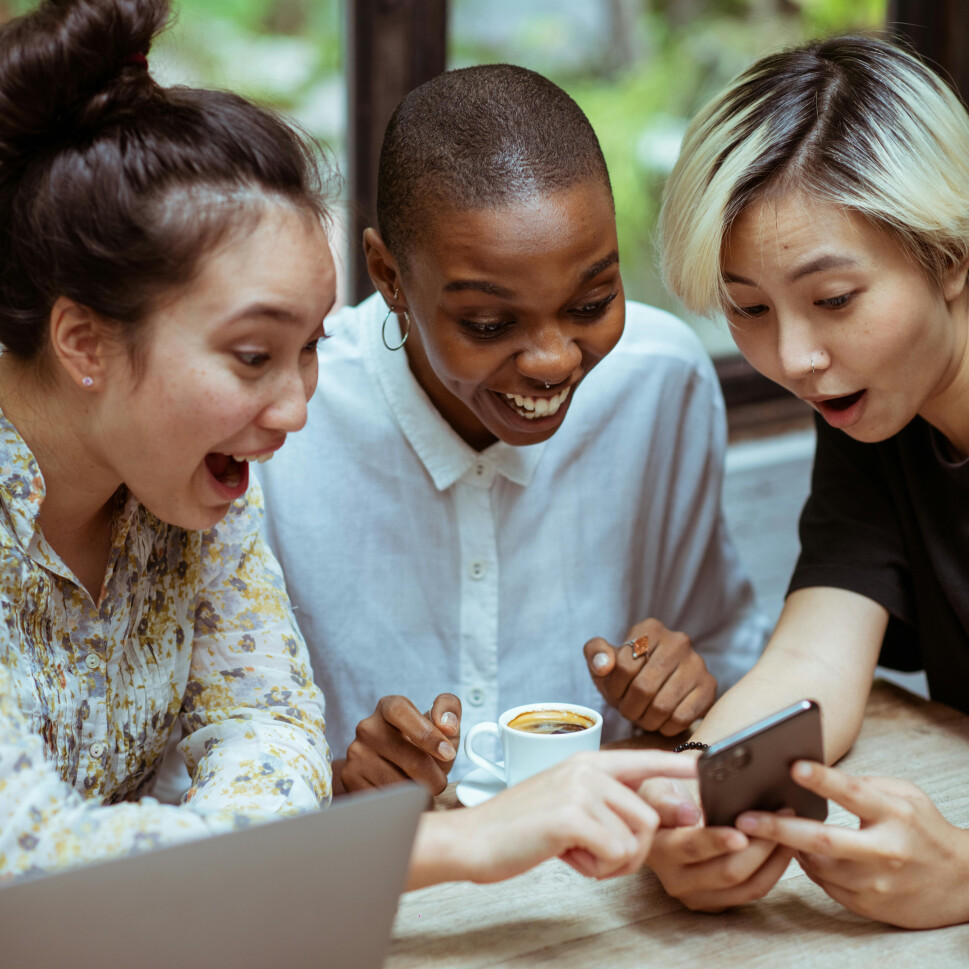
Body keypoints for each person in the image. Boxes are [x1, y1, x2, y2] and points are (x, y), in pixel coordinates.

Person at [0, 0, 700, 890]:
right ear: (84, 342)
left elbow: (273, 734)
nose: (294, 409)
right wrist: (457, 843)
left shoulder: (190, 488)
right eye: (253, 355)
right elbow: (23, 852)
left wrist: (265, 850)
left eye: (311, 349)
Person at [255, 62, 769, 796]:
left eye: (592, 302)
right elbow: (198, 760)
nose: (554, 359)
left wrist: (686, 689)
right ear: (388, 275)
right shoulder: (286, 429)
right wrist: (333, 784)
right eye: (489, 323)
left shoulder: (659, 381)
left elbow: (727, 651)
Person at [649, 34, 969, 929]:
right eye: (747, 308)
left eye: (832, 300)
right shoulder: (878, 409)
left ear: (948, 253)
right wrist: (694, 802)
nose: (794, 358)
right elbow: (808, 660)